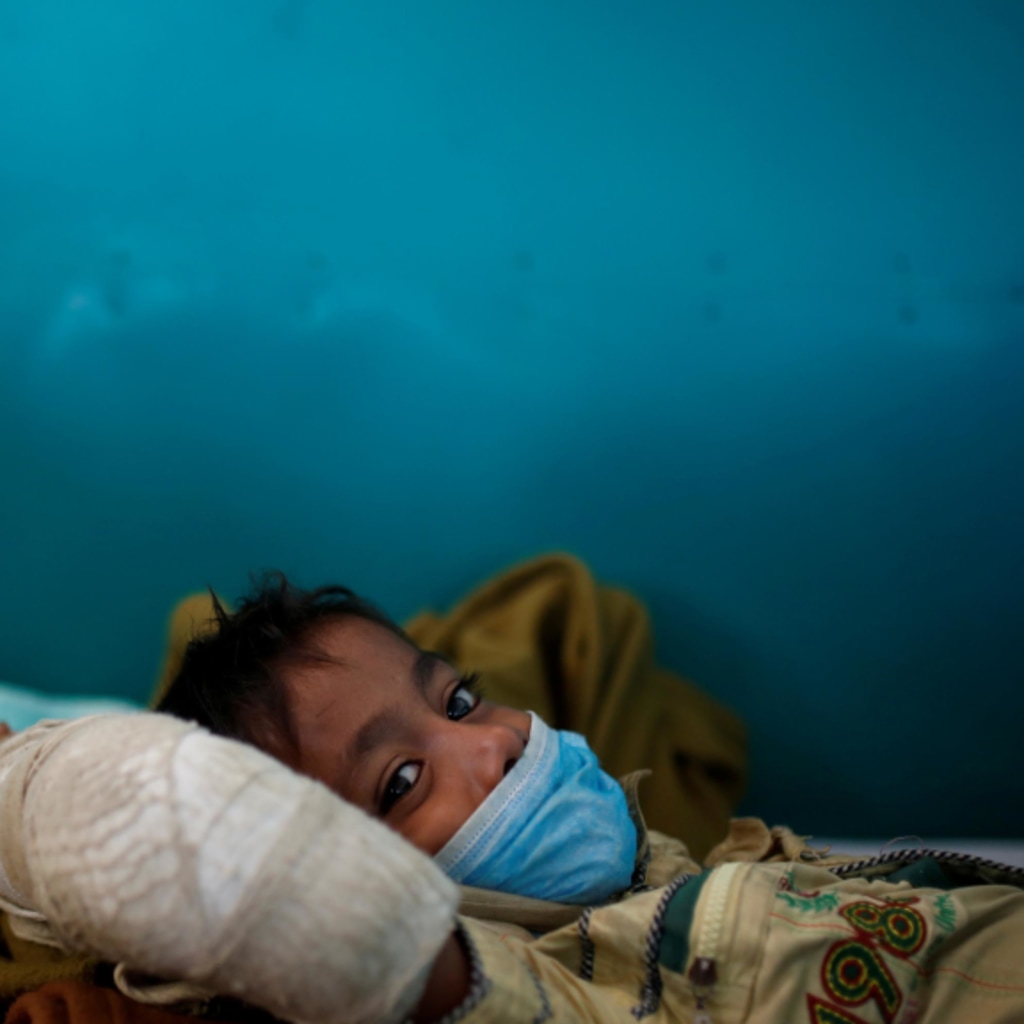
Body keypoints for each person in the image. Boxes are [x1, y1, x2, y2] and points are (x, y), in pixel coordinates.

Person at [150, 574, 1024, 1022]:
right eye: (401, 783)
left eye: (458, 699)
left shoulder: (680, 875)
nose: (496, 741)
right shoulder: (545, 987)